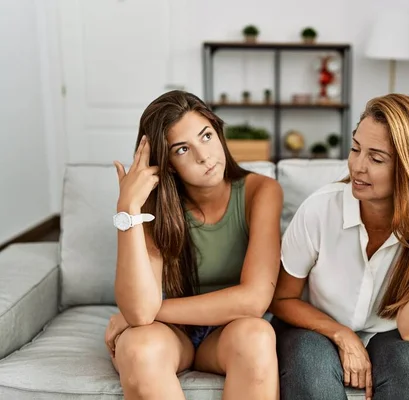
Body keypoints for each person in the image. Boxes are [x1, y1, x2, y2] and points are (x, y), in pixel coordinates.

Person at [269, 93, 409, 400]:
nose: (358, 166)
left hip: (393, 332)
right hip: (316, 328)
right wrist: (341, 334)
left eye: (376, 158)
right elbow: (282, 299)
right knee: (309, 372)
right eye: (355, 149)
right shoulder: (320, 209)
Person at [104, 90, 282, 400]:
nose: (204, 156)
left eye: (207, 136)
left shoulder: (261, 191)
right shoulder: (155, 205)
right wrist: (128, 211)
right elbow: (137, 309)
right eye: (183, 149)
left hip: (230, 330)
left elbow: (254, 300)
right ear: (168, 163)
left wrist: (152, 312)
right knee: (137, 347)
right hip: (175, 334)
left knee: (257, 336)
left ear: (218, 131)